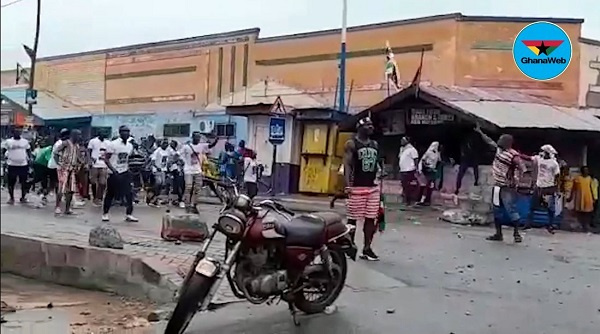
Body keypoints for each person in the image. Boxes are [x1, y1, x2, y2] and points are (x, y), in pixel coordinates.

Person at [475, 126, 528, 243]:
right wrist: (480, 132)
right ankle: (498, 234)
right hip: (497, 185)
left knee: (511, 210)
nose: (499, 141)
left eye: (501, 139)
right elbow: (490, 142)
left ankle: (516, 234)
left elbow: (522, 167)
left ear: (507, 142)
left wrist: (517, 179)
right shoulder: (499, 150)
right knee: (496, 209)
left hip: (507, 187)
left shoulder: (513, 155)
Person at [344, 117, 381, 261]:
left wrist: (380, 172)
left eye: (372, 125)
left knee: (371, 218)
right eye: (368, 125)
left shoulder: (374, 144)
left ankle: (367, 248)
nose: (371, 127)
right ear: (360, 128)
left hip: (372, 186)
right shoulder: (352, 144)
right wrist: (348, 185)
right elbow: (347, 165)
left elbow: (376, 162)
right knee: (352, 218)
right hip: (357, 186)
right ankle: (349, 245)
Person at [102, 126, 138, 222]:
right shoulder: (113, 144)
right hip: (114, 173)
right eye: (124, 132)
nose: (126, 133)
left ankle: (129, 214)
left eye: (127, 131)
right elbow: (106, 159)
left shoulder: (129, 146)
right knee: (110, 193)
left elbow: (128, 159)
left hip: (125, 171)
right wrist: (113, 170)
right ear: (120, 133)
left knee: (129, 193)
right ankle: (105, 213)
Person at [179, 131, 216, 213]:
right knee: (188, 187)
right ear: (193, 138)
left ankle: (194, 205)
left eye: (199, 137)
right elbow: (178, 155)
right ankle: (187, 205)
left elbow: (211, 145)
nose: (198, 139)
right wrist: (181, 162)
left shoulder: (201, 146)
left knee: (197, 189)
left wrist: (216, 138)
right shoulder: (186, 147)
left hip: (197, 170)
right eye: (197, 137)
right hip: (188, 171)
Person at [528, 145, 560, 234]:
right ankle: (528, 224)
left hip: (549, 187)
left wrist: (556, 189)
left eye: (543, 151)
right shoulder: (539, 159)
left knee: (550, 208)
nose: (541, 153)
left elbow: (557, 176)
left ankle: (550, 225)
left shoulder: (554, 163)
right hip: (539, 186)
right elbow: (528, 158)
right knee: (532, 206)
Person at [53, 129, 82, 215]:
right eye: (78, 135)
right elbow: (55, 152)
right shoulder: (65, 143)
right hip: (63, 169)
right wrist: (59, 163)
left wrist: (80, 163)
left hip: (71, 169)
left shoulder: (76, 146)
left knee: (71, 190)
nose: (80, 137)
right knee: (61, 188)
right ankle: (57, 207)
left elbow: (77, 157)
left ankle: (67, 208)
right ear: (73, 135)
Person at [2, 128, 32, 204]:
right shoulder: (8, 142)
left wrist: (30, 159)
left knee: (24, 182)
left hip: (23, 164)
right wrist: (4, 159)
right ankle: (12, 198)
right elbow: (3, 151)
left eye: (18, 132)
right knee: (11, 182)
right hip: (12, 164)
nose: (17, 134)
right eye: (16, 132)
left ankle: (23, 197)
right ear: (13, 133)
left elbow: (28, 150)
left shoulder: (25, 142)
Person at [569, 166, 595, 232]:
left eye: (587, 170)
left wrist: (593, 197)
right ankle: (580, 225)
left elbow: (591, 188)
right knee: (579, 212)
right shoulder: (577, 179)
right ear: (582, 171)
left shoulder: (589, 179)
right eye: (584, 170)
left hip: (588, 197)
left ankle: (586, 226)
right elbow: (573, 189)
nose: (586, 172)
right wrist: (570, 197)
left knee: (587, 212)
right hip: (579, 197)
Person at [455, 127, 482, 194]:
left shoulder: (470, 140)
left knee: (463, 172)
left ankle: (475, 181)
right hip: (468, 158)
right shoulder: (467, 140)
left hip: (469, 157)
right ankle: (458, 188)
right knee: (462, 173)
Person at [147, 139, 172, 207]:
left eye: (167, 143)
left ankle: (155, 198)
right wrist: (156, 167)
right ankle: (151, 196)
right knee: (158, 182)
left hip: (163, 169)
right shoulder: (157, 151)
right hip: (157, 170)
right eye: (164, 143)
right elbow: (152, 161)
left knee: (162, 185)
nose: (166, 145)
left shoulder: (168, 151)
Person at [30, 138, 55, 203]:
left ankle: (43, 191)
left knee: (43, 179)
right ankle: (42, 191)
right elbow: (48, 160)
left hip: (39, 163)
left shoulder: (48, 148)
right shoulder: (49, 150)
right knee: (42, 179)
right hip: (40, 164)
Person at [88, 132, 109, 205]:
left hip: (104, 165)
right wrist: (90, 160)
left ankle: (99, 198)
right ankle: (94, 197)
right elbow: (89, 151)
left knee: (102, 183)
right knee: (93, 182)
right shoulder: (93, 141)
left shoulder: (108, 142)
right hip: (94, 164)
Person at [417, 141, 440, 206]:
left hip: (433, 171)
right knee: (427, 185)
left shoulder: (437, 154)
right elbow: (423, 160)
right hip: (428, 170)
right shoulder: (428, 152)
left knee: (431, 186)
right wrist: (427, 166)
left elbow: (438, 161)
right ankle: (422, 200)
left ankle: (427, 200)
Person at [47, 129, 70, 195]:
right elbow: (55, 155)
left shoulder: (60, 142)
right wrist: (59, 164)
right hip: (55, 165)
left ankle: (54, 196)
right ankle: (57, 197)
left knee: (56, 183)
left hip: (54, 165)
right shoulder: (60, 143)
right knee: (57, 183)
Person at [398, 136, 419, 205]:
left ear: (407, 141)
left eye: (403, 140)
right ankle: (406, 199)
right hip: (403, 170)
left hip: (409, 170)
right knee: (404, 185)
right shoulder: (402, 149)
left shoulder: (412, 149)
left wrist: (416, 169)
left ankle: (409, 201)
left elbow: (416, 159)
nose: (401, 141)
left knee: (408, 186)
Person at [167, 141, 186, 208]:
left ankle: (179, 199)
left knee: (182, 185)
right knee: (177, 185)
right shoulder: (171, 151)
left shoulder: (179, 151)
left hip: (182, 170)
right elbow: (171, 161)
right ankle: (180, 200)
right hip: (175, 170)